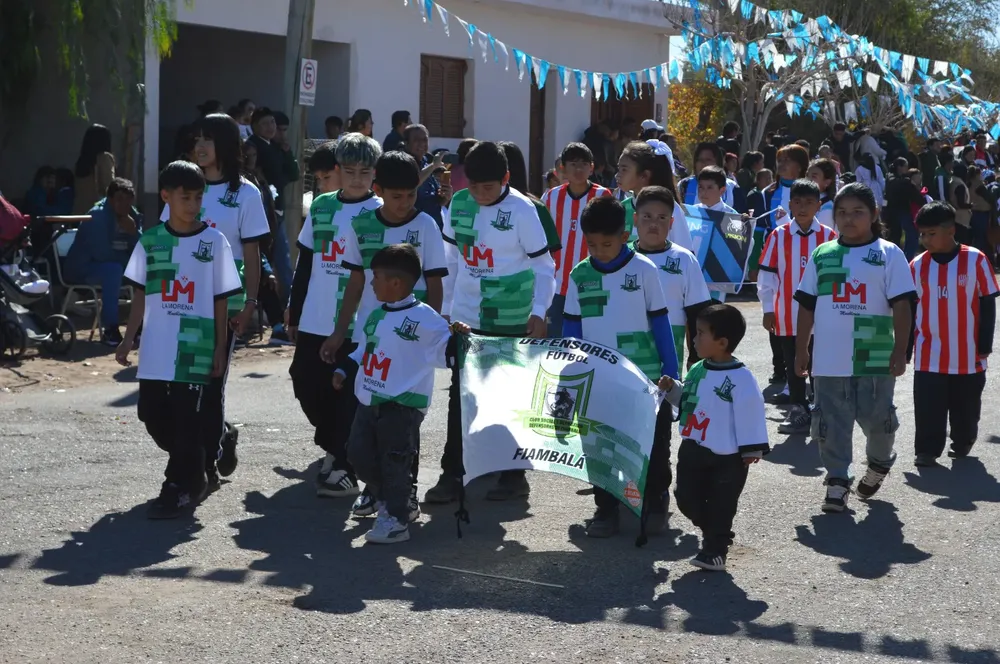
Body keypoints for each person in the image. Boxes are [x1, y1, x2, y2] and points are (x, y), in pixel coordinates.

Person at [424, 141, 555, 504]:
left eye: (489, 187)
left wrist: (539, 311)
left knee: (508, 396)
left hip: (513, 319)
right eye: (474, 186)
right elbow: (451, 261)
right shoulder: (459, 205)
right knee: (461, 396)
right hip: (468, 317)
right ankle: (453, 474)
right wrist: (447, 310)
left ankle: (513, 475)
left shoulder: (523, 211)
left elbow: (544, 266)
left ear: (506, 179)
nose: (480, 195)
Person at [116, 161, 242, 519]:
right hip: (157, 346)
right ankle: (207, 451)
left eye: (198, 197)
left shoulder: (213, 241)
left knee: (188, 419)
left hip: (196, 346)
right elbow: (140, 294)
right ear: (167, 196)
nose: (192, 204)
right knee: (151, 414)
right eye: (185, 197)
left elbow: (221, 299)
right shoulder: (151, 240)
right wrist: (128, 339)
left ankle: (180, 485)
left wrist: (220, 346)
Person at [327, 150, 448, 516]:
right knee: (369, 415)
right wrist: (338, 333)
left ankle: (403, 494)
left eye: (411, 195)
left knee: (402, 423)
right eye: (396, 196)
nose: (405, 203)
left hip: (411, 336)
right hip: (372, 334)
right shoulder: (360, 225)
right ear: (379, 190)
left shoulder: (426, 225)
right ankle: (376, 488)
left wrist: (435, 328)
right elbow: (354, 282)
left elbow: (435, 281)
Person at [794, 183, 916, 513]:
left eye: (858, 212)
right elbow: (806, 305)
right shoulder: (823, 254)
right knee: (831, 422)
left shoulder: (890, 254)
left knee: (878, 420)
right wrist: (801, 349)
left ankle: (879, 463)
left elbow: (903, 305)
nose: (849, 219)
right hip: (828, 358)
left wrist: (901, 350)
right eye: (842, 213)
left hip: (874, 354)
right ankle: (837, 481)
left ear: (874, 215)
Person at [334, 244, 469, 543]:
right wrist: (344, 368)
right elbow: (363, 350)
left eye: (376, 277)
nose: (371, 283)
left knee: (395, 462)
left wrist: (458, 337)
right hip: (369, 401)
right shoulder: (376, 314)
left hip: (403, 406)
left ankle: (395, 520)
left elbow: (447, 356)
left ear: (395, 283)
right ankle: (394, 499)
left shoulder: (426, 319)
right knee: (357, 453)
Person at [563, 196, 678, 537]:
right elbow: (571, 328)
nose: (599, 250)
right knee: (600, 444)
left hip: (644, 379)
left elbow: (660, 322)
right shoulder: (579, 275)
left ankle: (655, 497)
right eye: (592, 244)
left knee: (652, 444)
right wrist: (569, 375)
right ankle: (606, 507)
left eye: (607, 243)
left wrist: (670, 372)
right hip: (598, 381)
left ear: (625, 235)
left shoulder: (644, 270)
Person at [164, 113, 270, 480]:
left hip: (225, 301)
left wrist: (251, 304)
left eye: (208, 139)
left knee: (211, 383)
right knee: (180, 385)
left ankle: (204, 462)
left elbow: (253, 254)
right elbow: (167, 243)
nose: (199, 146)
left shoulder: (245, 193)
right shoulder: (183, 183)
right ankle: (220, 435)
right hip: (181, 300)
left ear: (225, 144)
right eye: (197, 139)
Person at [659, 304, 769, 571]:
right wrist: (673, 390)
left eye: (700, 333)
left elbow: (751, 411)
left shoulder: (741, 378)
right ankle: (715, 532)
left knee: (722, 503)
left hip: (728, 457)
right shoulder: (698, 369)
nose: (693, 339)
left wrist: (752, 449)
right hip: (693, 449)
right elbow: (688, 399)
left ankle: (715, 549)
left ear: (722, 342)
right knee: (685, 497)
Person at [909, 202, 998, 466]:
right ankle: (927, 449)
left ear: (950, 230)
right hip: (928, 353)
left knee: (966, 408)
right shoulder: (916, 266)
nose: (924, 239)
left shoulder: (975, 259)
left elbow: (987, 304)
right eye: (921, 234)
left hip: (968, 353)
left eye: (931, 233)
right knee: (928, 406)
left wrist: (984, 343)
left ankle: (963, 439)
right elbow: (910, 310)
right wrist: (905, 348)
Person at [757, 179, 837, 432]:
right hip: (787, 315)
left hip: (822, 318)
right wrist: (768, 308)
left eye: (809, 202)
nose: (803, 207)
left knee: (820, 364)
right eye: (797, 202)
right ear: (790, 204)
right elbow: (767, 276)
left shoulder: (829, 236)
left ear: (819, 205)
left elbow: (836, 278)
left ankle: (822, 411)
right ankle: (798, 409)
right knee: (794, 364)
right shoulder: (778, 236)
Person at [632, 186, 712, 369]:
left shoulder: (685, 260)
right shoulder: (621, 257)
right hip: (625, 361)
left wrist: (695, 356)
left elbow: (698, 313)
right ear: (635, 219)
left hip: (668, 363)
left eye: (662, 218)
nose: (654, 224)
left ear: (671, 223)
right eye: (647, 217)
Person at [541, 142, 612, 337]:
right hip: (557, 283)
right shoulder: (550, 197)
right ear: (562, 168)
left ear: (591, 167)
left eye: (583, 164)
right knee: (556, 340)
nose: (578, 169)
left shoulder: (602, 196)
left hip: (594, 280)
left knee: (591, 339)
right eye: (573, 163)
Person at [64, 177, 142, 345]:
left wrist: (133, 232)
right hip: (83, 269)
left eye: (128, 200)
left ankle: (138, 328)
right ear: (110, 199)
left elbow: (142, 249)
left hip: (114, 266)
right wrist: (129, 263)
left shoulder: (132, 215)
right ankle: (111, 329)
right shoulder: (97, 216)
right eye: (120, 199)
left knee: (146, 269)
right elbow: (102, 254)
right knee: (113, 271)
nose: (125, 204)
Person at [615, 140, 693, 250]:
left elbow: (686, 253)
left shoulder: (671, 208)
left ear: (644, 175)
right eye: (618, 168)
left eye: (624, 169)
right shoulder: (621, 208)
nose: (617, 175)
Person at [403, 124, 451, 228]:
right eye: (416, 140)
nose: (422, 144)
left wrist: (446, 196)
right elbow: (410, 184)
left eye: (425, 140)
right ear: (406, 143)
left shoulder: (426, 163)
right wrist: (433, 165)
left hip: (433, 226)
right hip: (413, 228)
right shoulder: (402, 162)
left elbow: (438, 201)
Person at [677, 142, 747, 213]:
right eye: (700, 160)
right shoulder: (684, 185)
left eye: (708, 160)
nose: (703, 163)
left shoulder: (732, 187)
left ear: (718, 162)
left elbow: (741, 217)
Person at [884, 157, 927, 260]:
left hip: (891, 213)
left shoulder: (889, 178)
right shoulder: (903, 181)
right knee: (911, 237)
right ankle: (907, 260)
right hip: (903, 212)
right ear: (900, 167)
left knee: (895, 238)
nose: (907, 169)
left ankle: (895, 259)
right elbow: (916, 196)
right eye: (905, 166)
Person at [73, 124, 116, 215]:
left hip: (79, 212)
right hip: (97, 213)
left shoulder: (81, 161)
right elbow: (109, 185)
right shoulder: (104, 158)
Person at [806, 158, 838, 228]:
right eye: (807, 175)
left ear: (827, 182)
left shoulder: (827, 209)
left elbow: (820, 237)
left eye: (814, 176)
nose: (808, 179)